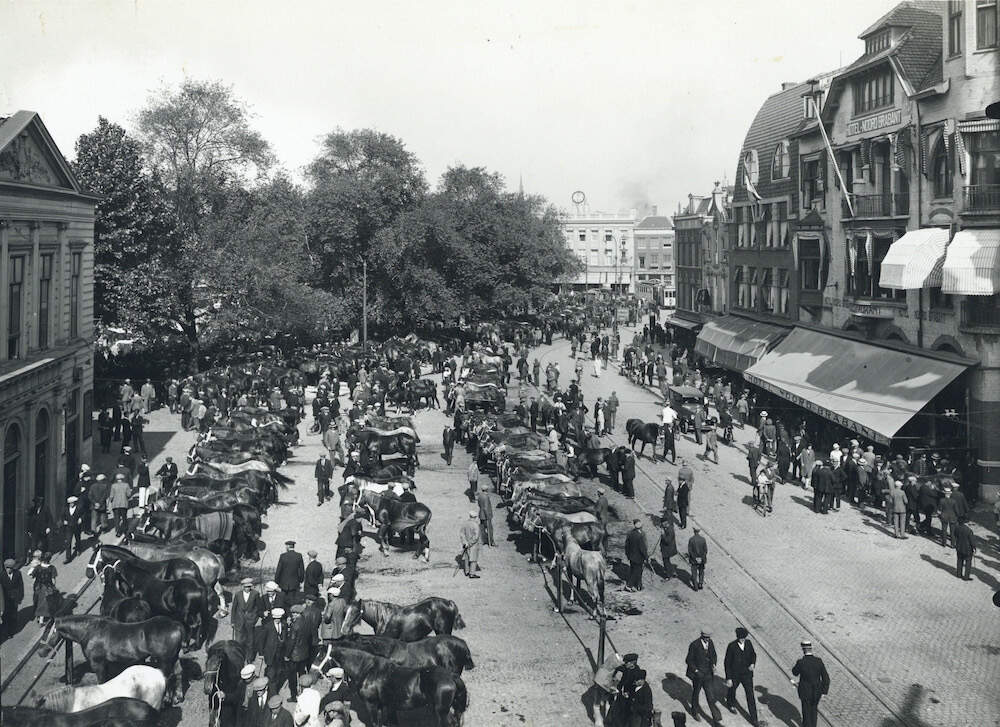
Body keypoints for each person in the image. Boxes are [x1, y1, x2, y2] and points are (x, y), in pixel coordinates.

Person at [724, 627, 759, 726]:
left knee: (750, 695)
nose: (742, 640)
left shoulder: (749, 643)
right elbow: (727, 663)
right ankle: (730, 703)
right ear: (737, 637)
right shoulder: (731, 646)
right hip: (735, 675)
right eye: (740, 638)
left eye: (743, 638)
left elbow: (753, 655)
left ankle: (754, 719)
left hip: (747, 675)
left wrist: (753, 664)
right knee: (732, 689)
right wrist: (729, 678)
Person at [791, 640, 830, 727]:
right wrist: (824, 692)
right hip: (817, 692)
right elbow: (826, 678)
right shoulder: (819, 661)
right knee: (814, 712)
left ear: (803, 650)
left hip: (805, 692)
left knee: (806, 714)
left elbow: (794, 672)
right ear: (811, 649)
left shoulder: (801, 662)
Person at [686, 629, 720, 723]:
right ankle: (694, 711)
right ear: (701, 635)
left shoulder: (710, 642)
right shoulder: (694, 645)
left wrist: (713, 664)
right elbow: (689, 660)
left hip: (708, 674)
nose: (707, 639)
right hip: (698, 675)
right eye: (705, 637)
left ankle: (716, 718)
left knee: (710, 695)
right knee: (696, 693)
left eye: (708, 637)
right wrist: (696, 671)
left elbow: (713, 655)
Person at [258, 608, 290, 698]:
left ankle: (274, 687)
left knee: (279, 671)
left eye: (279, 618)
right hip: (270, 653)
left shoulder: (284, 624)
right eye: (276, 618)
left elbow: (285, 638)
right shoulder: (267, 626)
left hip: (280, 654)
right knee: (271, 672)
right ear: (273, 617)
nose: (278, 620)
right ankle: (272, 692)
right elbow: (261, 640)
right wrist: (261, 653)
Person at [232, 577, 261, 653]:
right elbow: (234, 609)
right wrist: (233, 621)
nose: (247, 588)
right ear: (242, 586)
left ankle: (249, 658)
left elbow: (258, 608)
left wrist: (254, 618)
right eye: (245, 587)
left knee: (250, 641)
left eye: (249, 587)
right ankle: (239, 655)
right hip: (239, 620)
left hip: (250, 621)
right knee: (238, 641)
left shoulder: (255, 594)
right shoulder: (238, 594)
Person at [30, 552, 57, 625]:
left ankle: (38, 617)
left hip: (38, 586)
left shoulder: (38, 567)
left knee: (38, 601)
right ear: (50, 559)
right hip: (47, 587)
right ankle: (45, 618)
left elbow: (32, 576)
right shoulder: (52, 568)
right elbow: (54, 580)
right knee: (46, 603)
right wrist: (53, 587)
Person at [1, 558, 24, 640]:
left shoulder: (18, 574)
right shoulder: (2, 575)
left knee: (13, 614)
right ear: (5, 568)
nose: (9, 570)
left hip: (14, 598)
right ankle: (6, 632)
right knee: (5, 616)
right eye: (7, 568)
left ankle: (11, 630)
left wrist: (21, 596)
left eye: (11, 568)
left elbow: (21, 586)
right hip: (5, 599)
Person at [624, 519, 648, 592]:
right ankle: (629, 586)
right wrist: (646, 557)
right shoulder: (640, 535)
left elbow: (626, 546)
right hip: (638, 557)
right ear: (640, 527)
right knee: (637, 571)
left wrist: (628, 554)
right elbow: (642, 548)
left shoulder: (630, 533)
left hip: (631, 556)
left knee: (633, 570)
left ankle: (639, 585)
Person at [62, 495, 85, 563]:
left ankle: (78, 549)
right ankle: (68, 558)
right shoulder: (65, 509)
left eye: (73, 503)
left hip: (77, 526)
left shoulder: (79, 508)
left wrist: (81, 519)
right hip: (69, 527)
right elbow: (62, 516)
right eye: (70, 503)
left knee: (77, 538)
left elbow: (83, 514)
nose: (71, 504)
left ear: (75, 503)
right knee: (68, 542)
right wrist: (64, 521)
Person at [460, 511, 481, 578]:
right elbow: (476, 537)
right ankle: (472, 573)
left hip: (466, 544)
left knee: (467, 558)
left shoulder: (465, 523)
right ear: (475, 517)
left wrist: (465, 542)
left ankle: (467, 571)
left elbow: (462, 534)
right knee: (473, 559)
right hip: (473, 545)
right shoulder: (476, 525)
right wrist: (469, 543)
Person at [657, 515, 677, 579]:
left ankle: (668, 575)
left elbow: (667, 541)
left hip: (668, 549)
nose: (661, 525)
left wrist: (663, 534)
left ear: (665, 523)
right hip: (667, 548)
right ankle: (673, 571)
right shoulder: (667, 528)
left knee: (666, 561)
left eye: (662, 523)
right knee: (667, 561)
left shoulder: (670, 530)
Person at [688, 526, 707, 591]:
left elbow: (690, 551)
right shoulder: (703, 539)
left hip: (694, 560)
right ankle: (700, 584)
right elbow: (705, 550)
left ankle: (695, 586)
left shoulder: (691, 539)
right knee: (701, 571)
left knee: (694, 573)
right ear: (699, 531)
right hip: (702, 560)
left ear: (694, 531)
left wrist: (695, 558)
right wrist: (701, 558)